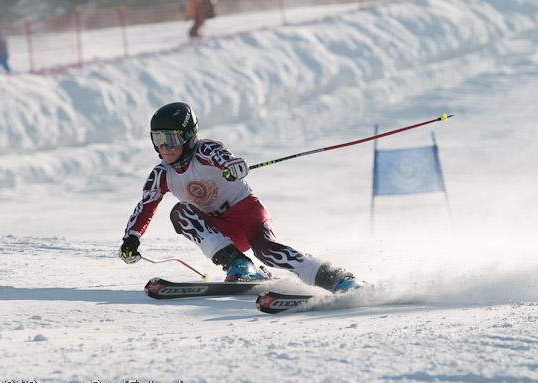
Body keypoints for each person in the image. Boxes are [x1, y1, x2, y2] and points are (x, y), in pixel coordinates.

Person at [120, 102, 365, 293]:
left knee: (266, 251)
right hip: (221, 232)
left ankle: (338, 280)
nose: (164, 148)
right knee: (180, 213)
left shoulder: (205, 150)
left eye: (170, 139)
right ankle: (239, 264)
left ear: (187, 137)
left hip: (246, 213)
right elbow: (145, 207)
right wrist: (131, 239)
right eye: (158, 140)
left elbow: (224, 157)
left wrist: (234, 166)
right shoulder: (161, 174)